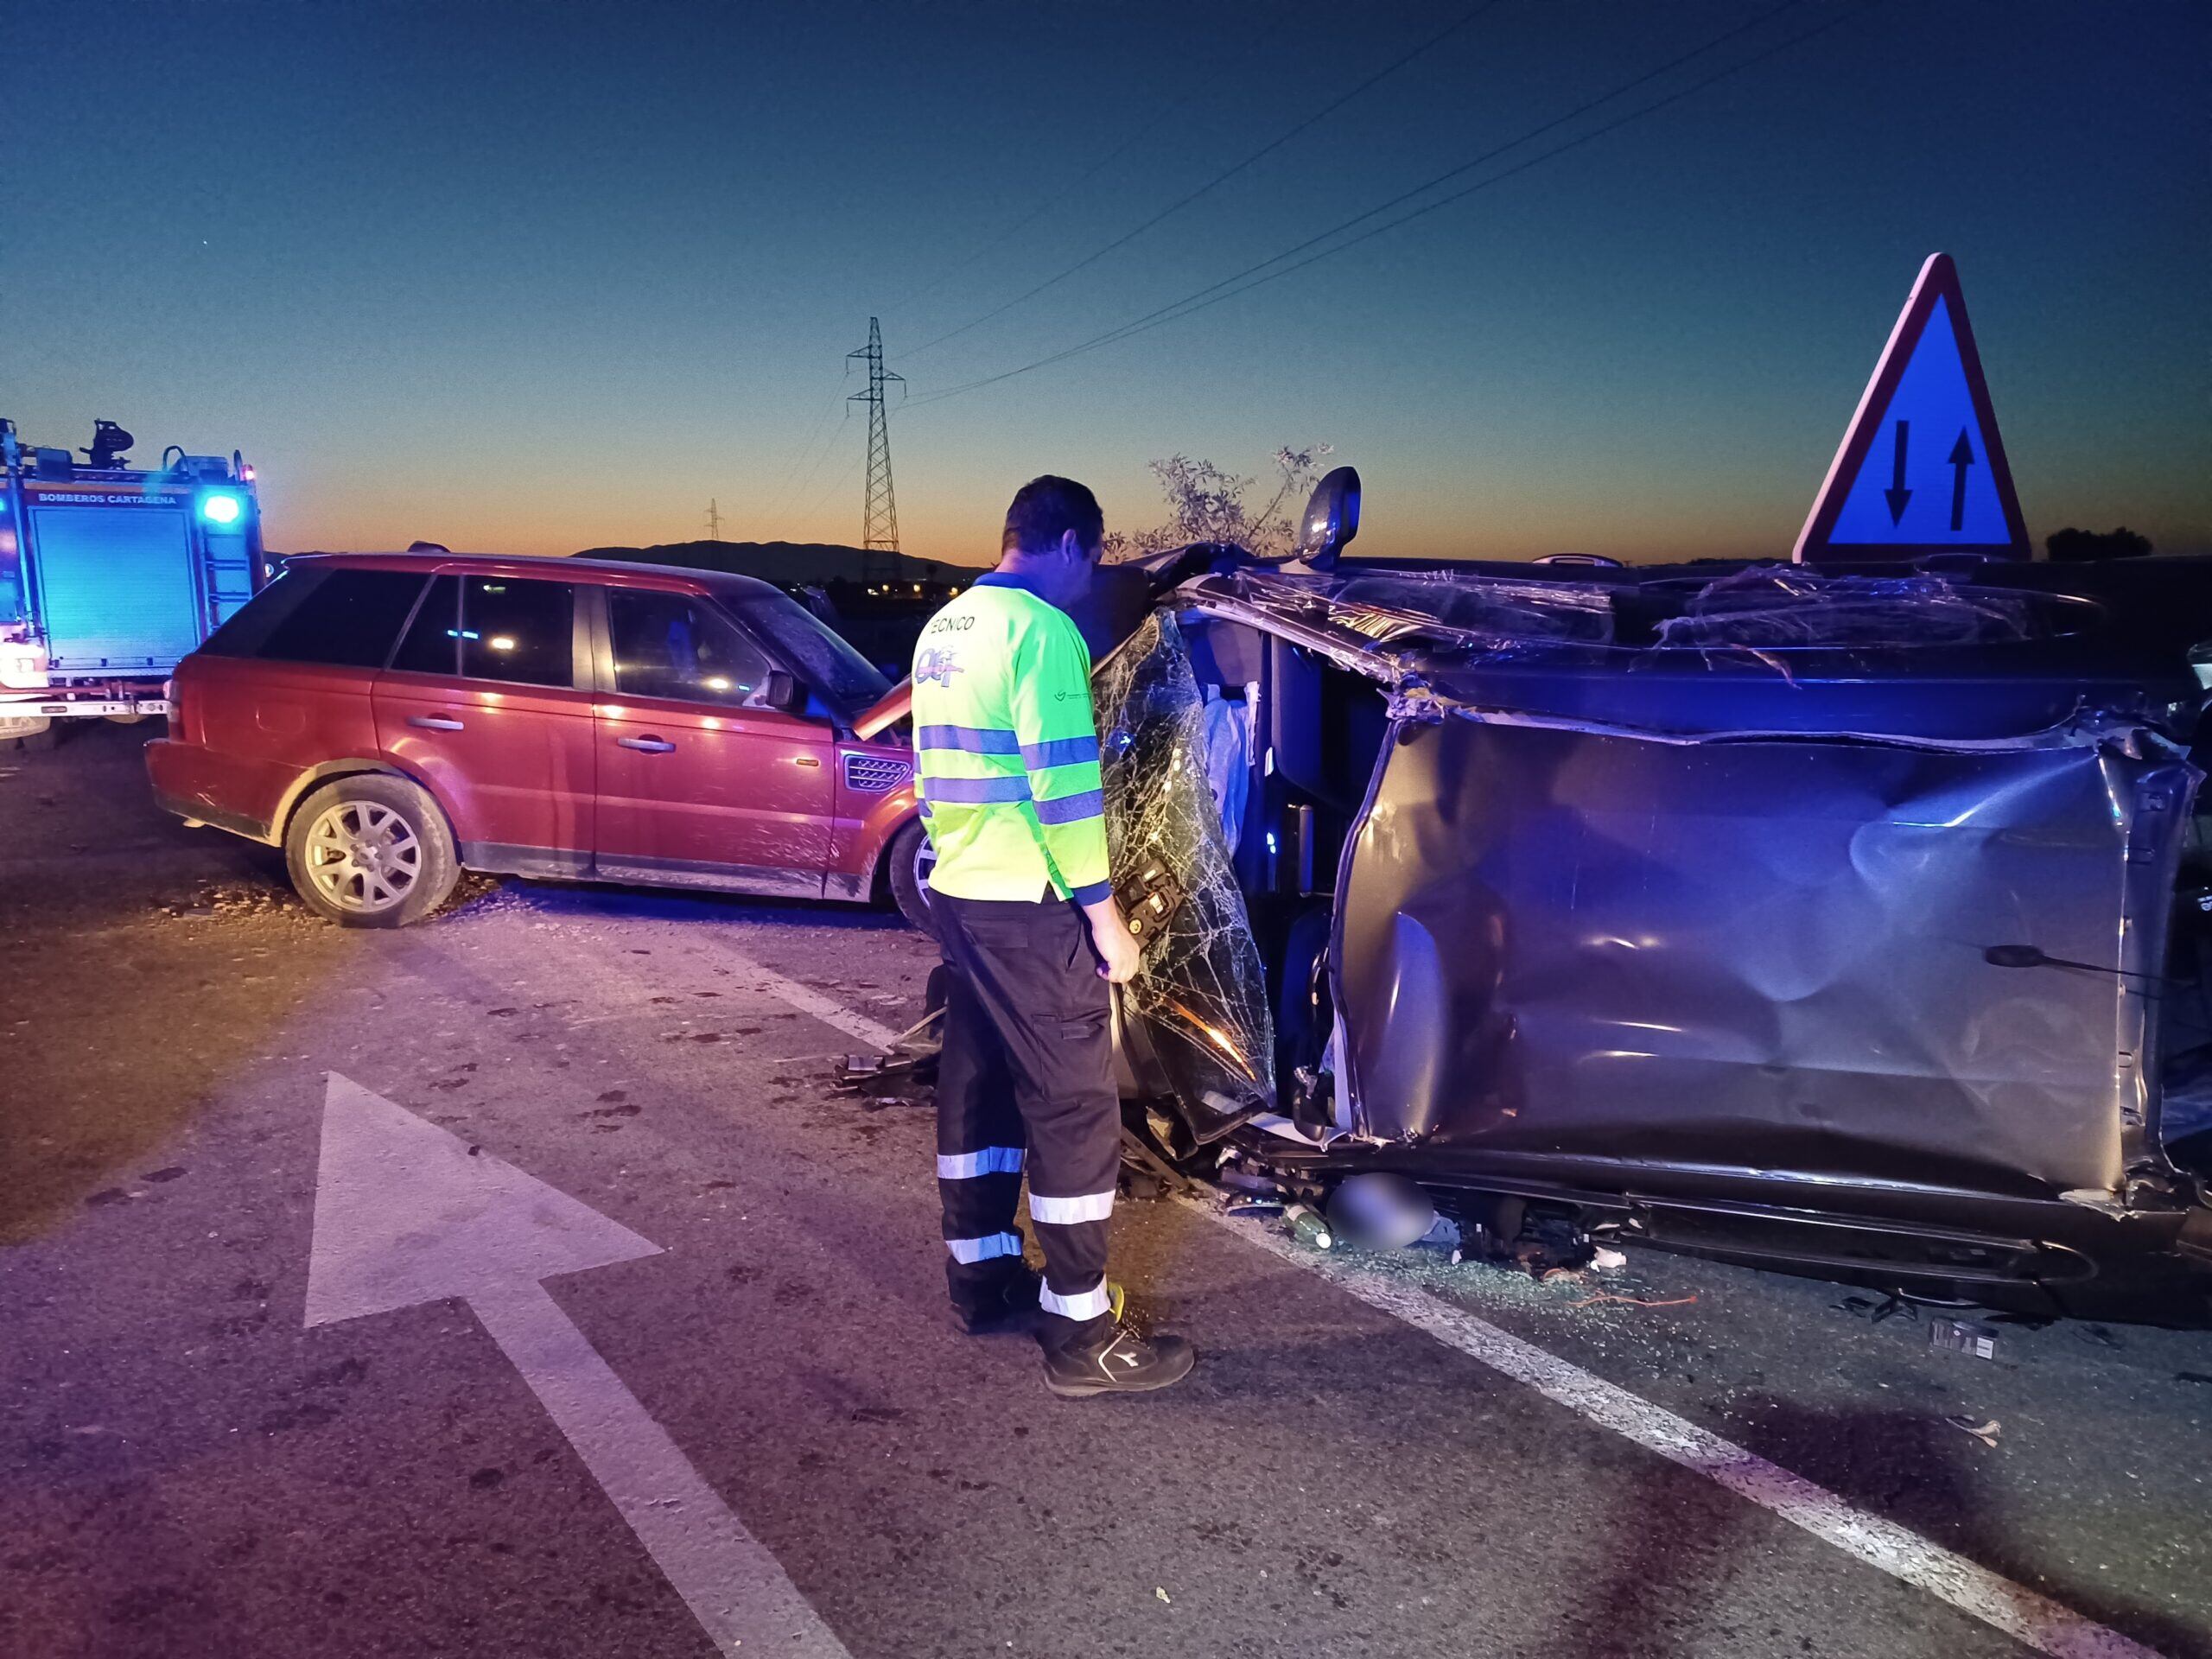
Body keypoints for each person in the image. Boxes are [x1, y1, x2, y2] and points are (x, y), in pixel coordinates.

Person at [912, 475, 1196, 1397]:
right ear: (1074, 543)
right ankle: (1081, 1332)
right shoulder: (1040, 631)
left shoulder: (944, 627)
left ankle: (985, 1281)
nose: (1091, 575)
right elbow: (1065, 790)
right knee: (1071, 1106)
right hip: (1031, 905)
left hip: (962, 892)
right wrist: (1106, 921)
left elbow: (934, 772)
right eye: (1095, 557)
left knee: (980, 1087)